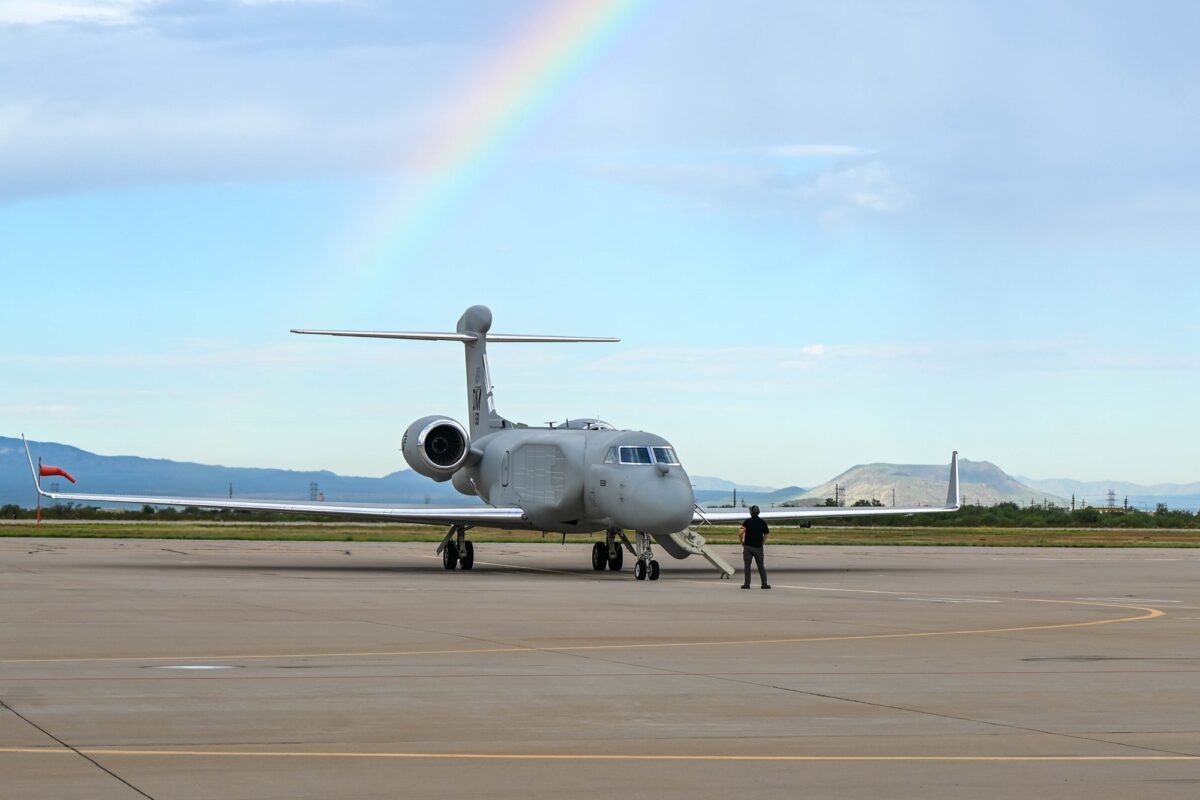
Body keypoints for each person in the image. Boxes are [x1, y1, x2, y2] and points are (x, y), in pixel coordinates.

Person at [739, 504, 770, 589]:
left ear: (751, 513)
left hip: (748, 547)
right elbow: (766, 534)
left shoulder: (747, 522)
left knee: (747, 566)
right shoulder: (762, 522)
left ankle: (746, 584)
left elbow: (740, 532)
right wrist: (762, 542)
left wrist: (741, 541)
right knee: (761, 566)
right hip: (758, 548)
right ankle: (764, 584)